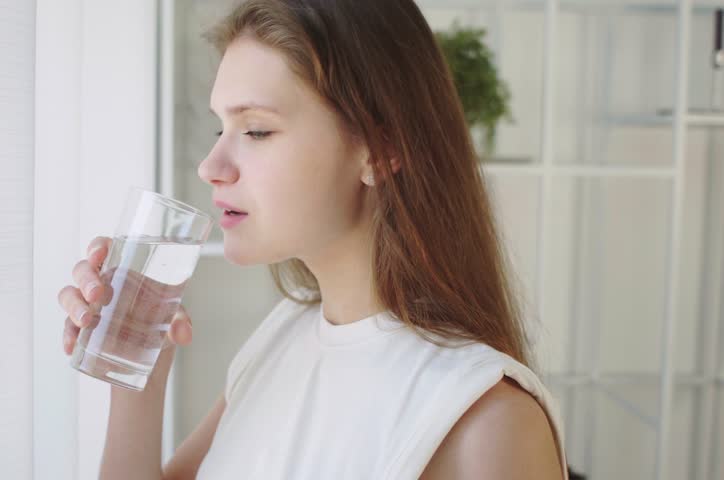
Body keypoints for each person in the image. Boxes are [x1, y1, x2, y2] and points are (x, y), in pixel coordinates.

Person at [57, 0, 568, 478]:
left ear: (379, 149)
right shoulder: (282, 337)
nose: (210, 167)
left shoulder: (487, 426)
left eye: (256, 131)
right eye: (220, 129)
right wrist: (135, 374)